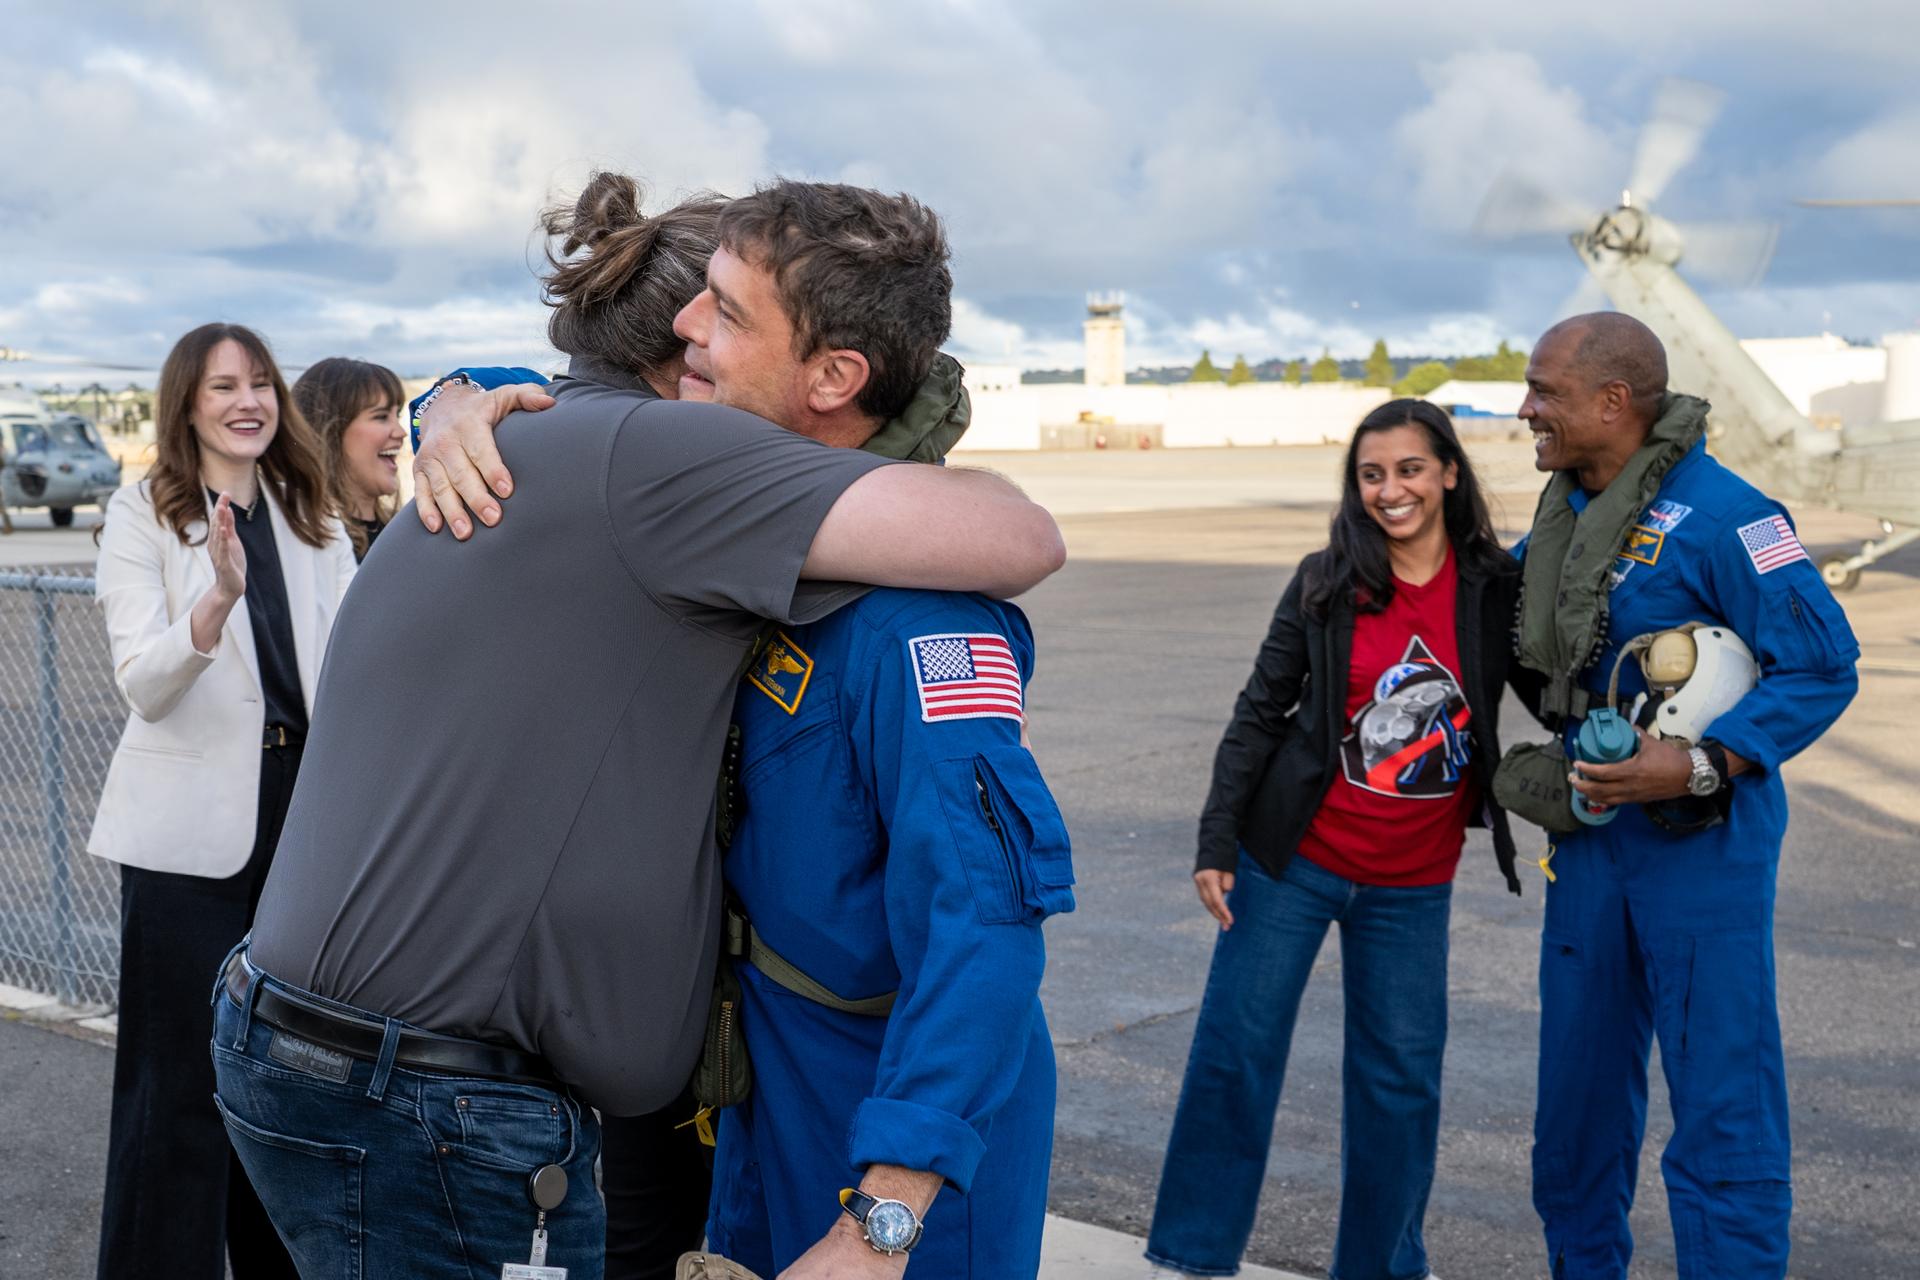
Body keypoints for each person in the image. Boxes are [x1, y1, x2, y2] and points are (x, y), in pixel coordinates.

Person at [212, 175, 1065, 1280]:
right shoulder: (713, 519)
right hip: (757, 1129)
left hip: (887, 1160)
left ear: (835, 374)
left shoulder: (914, 613)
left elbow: (986, 923)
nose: (686, 331)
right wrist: (452, 400)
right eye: (695, 298)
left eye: (729, 313)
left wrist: (882, 1221)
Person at [1508, 314, 1857, 1279]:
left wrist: (1702, 763)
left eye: (1545, 391)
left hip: (1699, 852)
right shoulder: (1564, 517)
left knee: (1722, 1112)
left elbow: (1822, 667)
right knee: (1573, 1113)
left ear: (1615, 402)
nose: (1525, 409)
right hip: (1588, 846)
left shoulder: (1731, 518)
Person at [1145, 398, 1524, 1280]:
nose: (1391, 490)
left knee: (1401, 1086)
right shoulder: (1326, 580)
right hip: (1294, 862)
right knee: (1235, 1057)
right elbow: (1258, 712)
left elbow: (1550, 684)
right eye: (1372, 474)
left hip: (1415, 882)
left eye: (1410, 470)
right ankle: (1193, 1257)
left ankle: (1383, 1267)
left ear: (1450, 474)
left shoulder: (1494, 587)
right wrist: (1216, 841)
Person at [88, 322, 357, 1280]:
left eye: (259, 384)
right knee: (177, 1093)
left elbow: (352, 665)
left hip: (304, 819)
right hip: (186, 847)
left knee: (283, 1083)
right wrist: (213, 602)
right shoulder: (142, 513)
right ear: (187, 406)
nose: (247, 402)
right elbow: (141, 682)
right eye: (221, 387)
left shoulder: (308, 512)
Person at [290, 356, 407, 561]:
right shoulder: (304, 542)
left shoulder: (404, 535)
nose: (400, 432)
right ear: (330, 432)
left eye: (397, 415)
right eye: (380, 417)